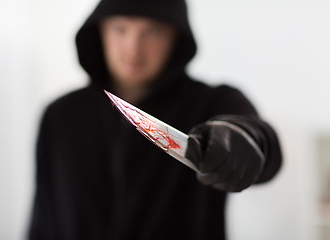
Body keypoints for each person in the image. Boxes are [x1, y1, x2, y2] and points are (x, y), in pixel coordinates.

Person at [28, 0, 282, 239]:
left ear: (176, 36)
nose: (133, 48)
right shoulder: (59, 115)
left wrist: (242, 138)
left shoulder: (213, 104)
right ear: (100, 31)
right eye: (120, 28)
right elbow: (42, 215)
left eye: (152, 31)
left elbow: (264, 145)